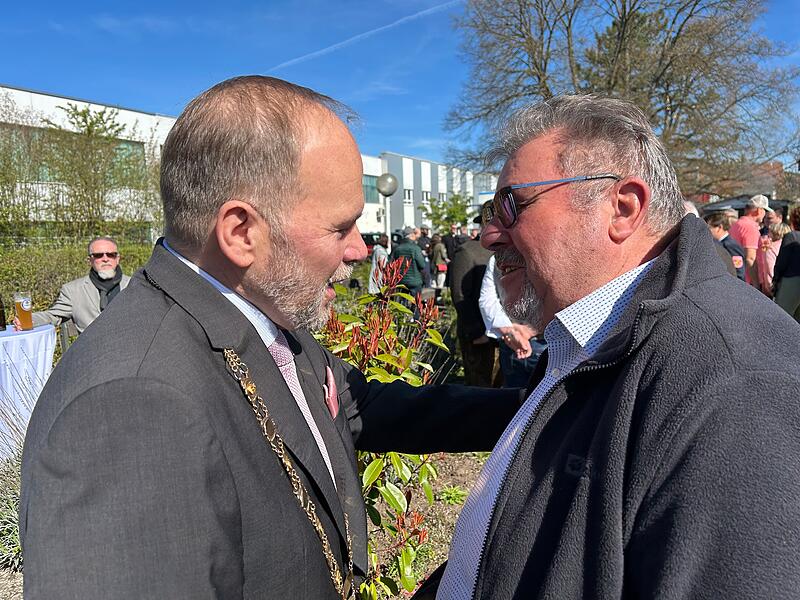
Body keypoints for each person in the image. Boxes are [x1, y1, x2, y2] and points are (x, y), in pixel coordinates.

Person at [20, 76, 523, 600]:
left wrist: (536, 405)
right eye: (340, 227)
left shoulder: (262, 313)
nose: (358, 250)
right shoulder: (132, 404)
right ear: (241, 232)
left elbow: (361, 406)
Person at [432, 95, 800, 599]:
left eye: (511, 204)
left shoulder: (739, 386)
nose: (492, 235)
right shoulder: (592, 341)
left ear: (622, 208)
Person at [17, 236, 130, 333]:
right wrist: (26, 320)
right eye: (98, 255)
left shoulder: (134, 284)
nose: (105, 259)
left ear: (117, 258)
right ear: (89, 260)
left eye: (111, 255)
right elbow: (54, 315)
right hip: (93, 353)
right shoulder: (73, 290)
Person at [449, 220, 500, 388]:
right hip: (478, 335)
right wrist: (476, 331)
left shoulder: (506, 248)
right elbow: (460, 294)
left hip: (503, 336)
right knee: (480, 387)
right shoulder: (467, 251)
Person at [478, 253, 542, 388]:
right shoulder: (497, 257)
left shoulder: (498, 257)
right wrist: (512, 331)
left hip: (523, 342)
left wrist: (513, 330)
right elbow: (487, 299)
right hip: (513, 343)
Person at [729, 194, 773, 286]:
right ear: (759, 210)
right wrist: (756, 284)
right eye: (764, 211)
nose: (765, 214)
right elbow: (750, 258)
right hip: (748, 282)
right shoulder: (750, 227)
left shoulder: (737, 224)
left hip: (736, 277)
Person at [774, 204, 800, 322]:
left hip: (792, 280)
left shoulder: (792, 236)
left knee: (783, 318)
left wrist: (775, 279)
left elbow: (782, 262)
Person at [705, 211, 746, 280]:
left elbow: (739, 272)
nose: (707, 231)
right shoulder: (719, 243)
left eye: (709, 228)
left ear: (719, 227)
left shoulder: (731, 245)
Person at [390, 226, 426, 297]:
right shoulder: (416, 248)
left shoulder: (397, 249)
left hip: (401, 281)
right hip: (415, 281)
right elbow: (422, 265)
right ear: (412, 235)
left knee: (402, 303)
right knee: (416, 303)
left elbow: (391, 264)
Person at [757, 222, 790, 297]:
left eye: (770, 231)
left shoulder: (771, 249)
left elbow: (769, 272)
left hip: (774, 292)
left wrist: (772, 292)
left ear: (775, 233)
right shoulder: (789, 247)